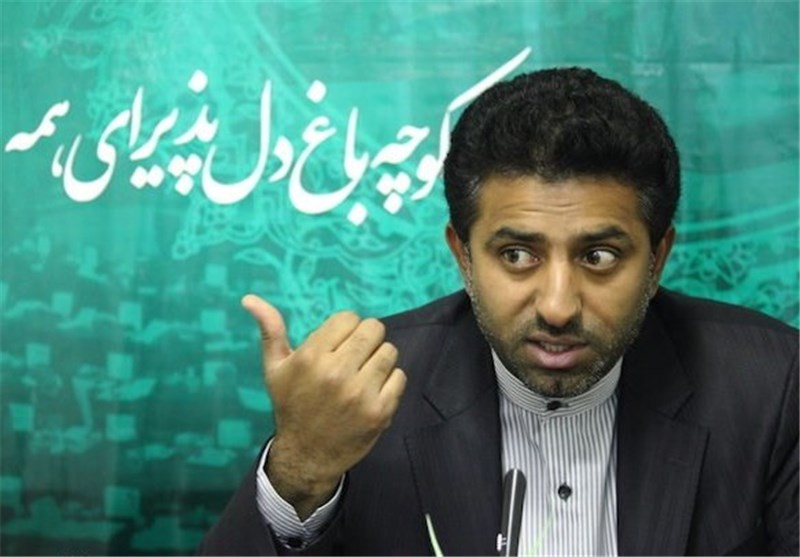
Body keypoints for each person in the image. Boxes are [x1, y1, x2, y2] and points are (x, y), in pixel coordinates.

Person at [198, 68, 798, 556]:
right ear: (462, 254)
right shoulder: (365, 398)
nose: (558, 307)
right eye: (517, 255)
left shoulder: (771, 385)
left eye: (598, 256)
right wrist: (301, 468)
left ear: (657, 257)